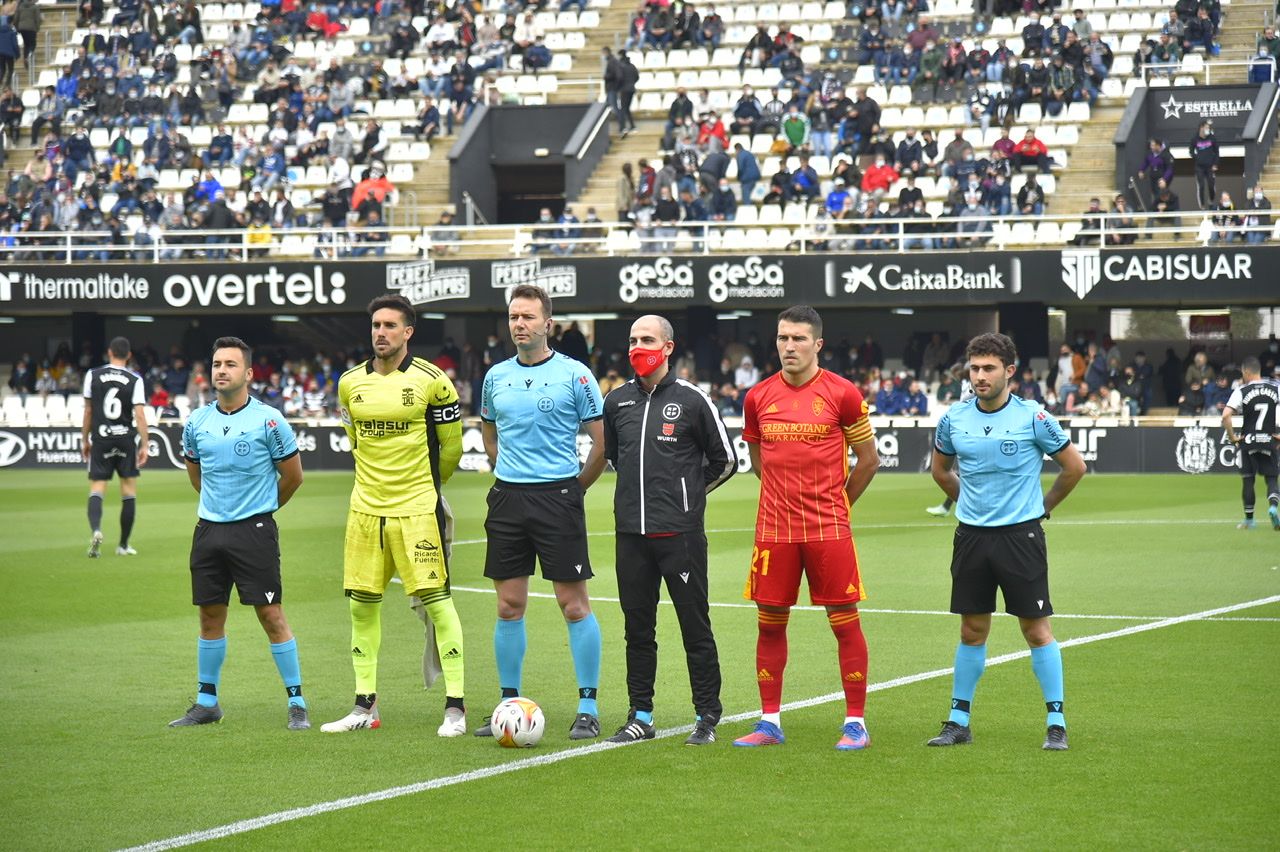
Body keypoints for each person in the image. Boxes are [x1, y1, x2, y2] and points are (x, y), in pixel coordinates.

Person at [927, 333, 1086, 751]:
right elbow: (940, 471)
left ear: (1009, 372)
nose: (979, 376)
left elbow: (1074, 467)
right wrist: (970, 502)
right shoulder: (953, 419)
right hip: (971, 538)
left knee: (1036, 630)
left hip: (1020, 537)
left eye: (988, 369)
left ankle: (1056, 722)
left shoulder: (1034, 417)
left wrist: (1042, 507)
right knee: (972, 629)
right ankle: (958, 720)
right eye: (974, 369)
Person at [733, 305, 879, 750]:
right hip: (774, 531)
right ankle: (769, 722)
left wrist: (837, 504)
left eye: (798, 339)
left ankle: (855, 723)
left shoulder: (843, 393)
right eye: (782, 338)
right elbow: (760, 461)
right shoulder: (758, 397)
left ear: (817, 344)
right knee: (769, 624)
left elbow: (869, 460)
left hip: (828, 529)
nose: (789, 346)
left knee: (844, 622)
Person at [322, 295, 468, 736]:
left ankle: (455, 710)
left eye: (390, 325)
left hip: (417, 511)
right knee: (362, 607)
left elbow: (452, 449)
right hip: (365, 512)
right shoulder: (350, 383)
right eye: (375, 325)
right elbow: (355, 440)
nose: (380, 332)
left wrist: (424, 488)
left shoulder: (433, 381)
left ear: (408, 332)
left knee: (438, 605)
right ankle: (364, 706)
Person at [474, 284, 608, 740]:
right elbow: (489, 431)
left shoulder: (575, 375)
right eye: (514, 317)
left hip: (558, 499)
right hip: (509, 499)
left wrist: (575, 490)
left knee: (573, 605)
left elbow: (601, 442)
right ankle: (508, 704)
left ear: (547, 323)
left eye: (528, 317)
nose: (520, 324)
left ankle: (587, 707)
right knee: (509, 606)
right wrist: (504, 470)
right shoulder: (495, 377)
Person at [602, 315, 737, 745]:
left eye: (647, 339)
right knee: (637, 630)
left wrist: (688, 498)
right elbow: (617, 459)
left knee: (694, 626)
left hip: (679, 536)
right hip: (630, 537)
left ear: (668, 347)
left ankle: (706, 717)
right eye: (633, 340)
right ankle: (640, 714)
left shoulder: (695, 400)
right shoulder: (616, 401)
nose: (638, 347)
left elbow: (725, 461)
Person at [170, 336, 307, 729]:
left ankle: (297, 702)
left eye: (230, 364)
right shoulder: (197, 422)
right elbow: (197, 478)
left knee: (271, 614)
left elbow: (293, 477)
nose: (221, 371)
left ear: (247, 373)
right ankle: (206, 702)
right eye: (216, 364)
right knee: (210, 615)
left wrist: (260, 511)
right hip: (208, 531)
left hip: (255, 531)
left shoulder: (269, 420)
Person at [81, 336, 149, 557]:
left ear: (109, 352)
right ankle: (123, 545)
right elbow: (139, 415)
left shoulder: (93, 375)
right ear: (129, 355)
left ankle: (96, 530)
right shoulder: (135, 379)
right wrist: (145, 444)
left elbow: (89, 411)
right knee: (128, 491)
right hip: (125, 439)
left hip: (101, 438)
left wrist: (84, 440)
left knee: (97, 489)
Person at [1221, 357, 1280, 530]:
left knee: (1248, 481)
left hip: (1248, 441)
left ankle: (1249, 520)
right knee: (1271, 479)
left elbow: (1225, 415)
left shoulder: (1242, 390)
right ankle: (1273, 507)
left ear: (1246, 372)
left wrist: (1232, 437)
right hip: (1270, 440)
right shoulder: (1276, 388)